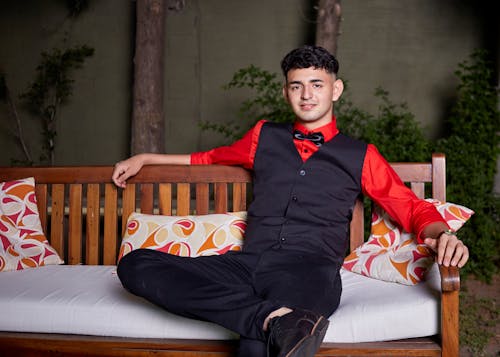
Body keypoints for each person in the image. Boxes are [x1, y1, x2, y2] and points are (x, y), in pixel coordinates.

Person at [112, 45, 469, 357]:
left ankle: (266, 323)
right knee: (136, 265)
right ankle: (270, 319)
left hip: (309, 271)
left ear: (336, 90)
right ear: (286, 92)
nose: (307, 95)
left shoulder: (360, 155)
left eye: (317, 85)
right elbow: (208, 158)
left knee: (256, 346)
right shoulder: (263, 135)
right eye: (297, 85)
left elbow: (409, 205)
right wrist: (146, 158)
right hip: (247, 264)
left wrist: (443, 234)